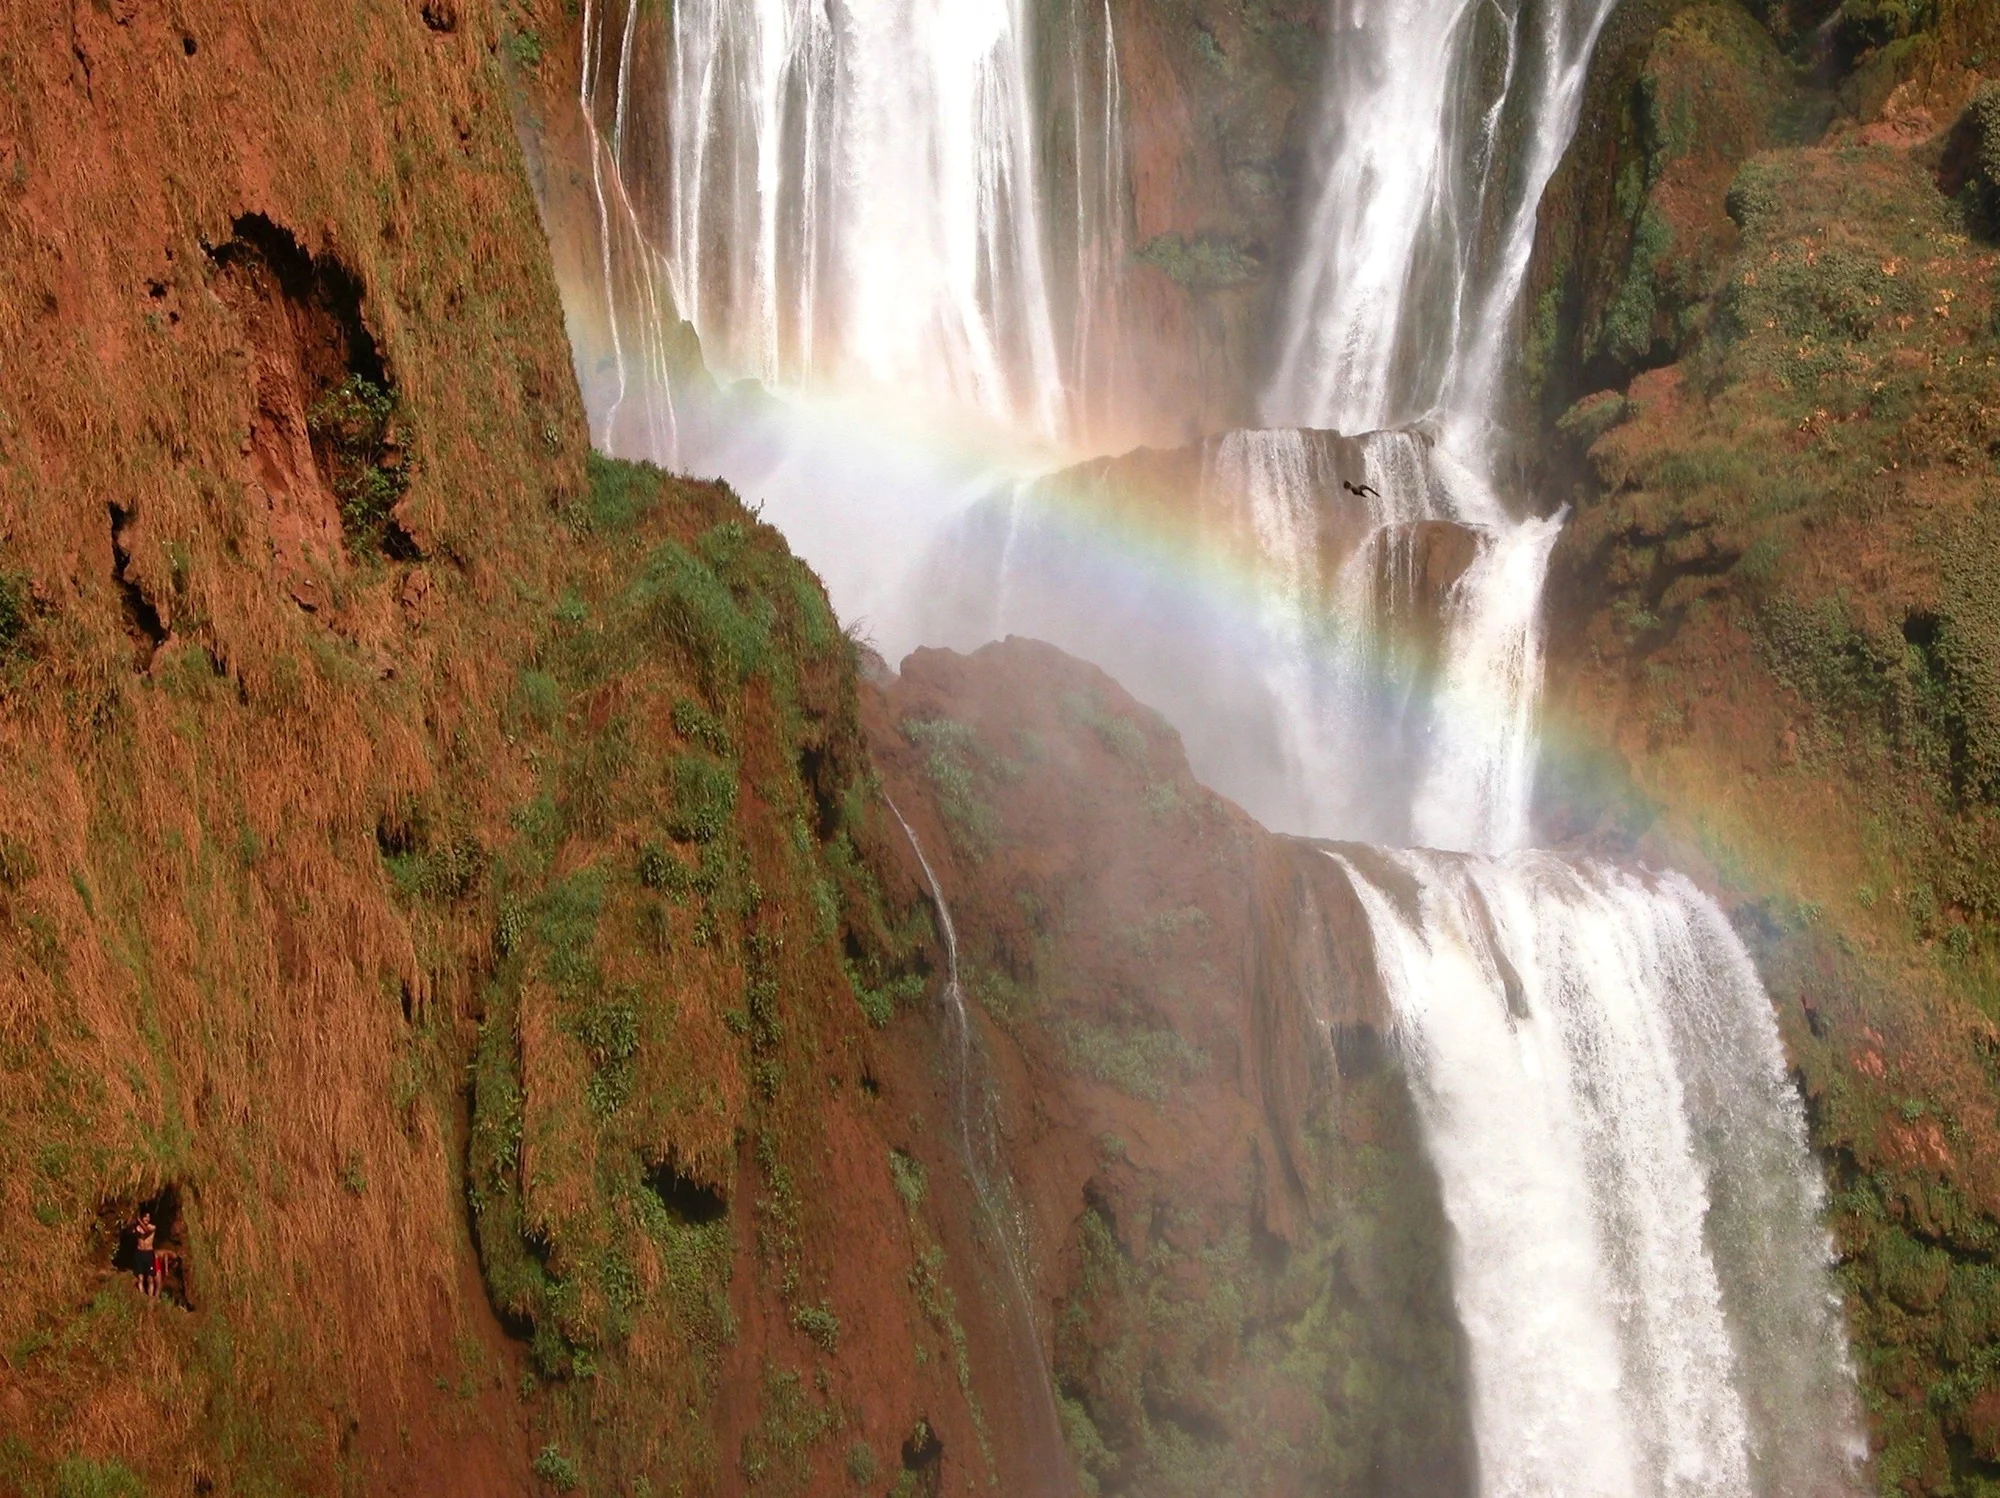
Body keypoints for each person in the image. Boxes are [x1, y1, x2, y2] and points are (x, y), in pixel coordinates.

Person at [133, 1211, 157, 1297]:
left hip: (149, 1253)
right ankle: (142, 1297)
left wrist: (138, 1220)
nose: (147, 1219)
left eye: (148, 1217)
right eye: (145, 1217)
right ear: (143, 1218)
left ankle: (150, 1297)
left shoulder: (152, 1227)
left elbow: (146, 1231)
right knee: (140, 1277)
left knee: (150, 1278)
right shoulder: (137, 1228)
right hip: (139, 1253)